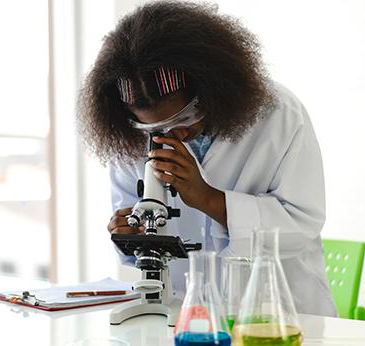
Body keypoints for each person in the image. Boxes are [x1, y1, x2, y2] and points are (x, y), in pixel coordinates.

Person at [78, 1, 336, 316]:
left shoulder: (278, 115)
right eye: (153, 128)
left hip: (278, 314)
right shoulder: (130, 136)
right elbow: (136, 228)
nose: (172, 135)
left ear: (212, 88)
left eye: (184, 118)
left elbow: (302, 223)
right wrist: (129, 235)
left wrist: (209, 199)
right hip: (184, 313)